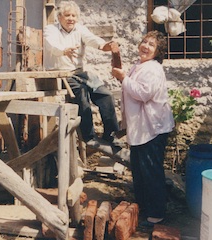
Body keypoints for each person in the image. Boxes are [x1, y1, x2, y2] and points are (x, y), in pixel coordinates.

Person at [111, 31, 175, 227]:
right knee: (139, 170)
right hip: (140, 128)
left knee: (151, 171)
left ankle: (156, 214)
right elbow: (132, 87)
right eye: (144, 42)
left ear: (157, 52)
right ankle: (142, 209)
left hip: (152, 129)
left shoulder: (154, 69)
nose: (145, 46)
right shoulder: (139, 65)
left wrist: (123, 79)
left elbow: (144, 93)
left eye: (151, 45)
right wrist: (122, 76)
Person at [43, 0, 122, 153]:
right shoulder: (50, 29)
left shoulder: (79, 29)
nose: (70, 18)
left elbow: (93, 40)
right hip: (60, 74)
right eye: (67, 15)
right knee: (82, 98)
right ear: (60, 17)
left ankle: (111, 135)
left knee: (105, 95)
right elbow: (51, 45)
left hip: (79, 72)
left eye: (73, 15)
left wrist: (106, 46)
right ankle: (89, 136)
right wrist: (64, 50)